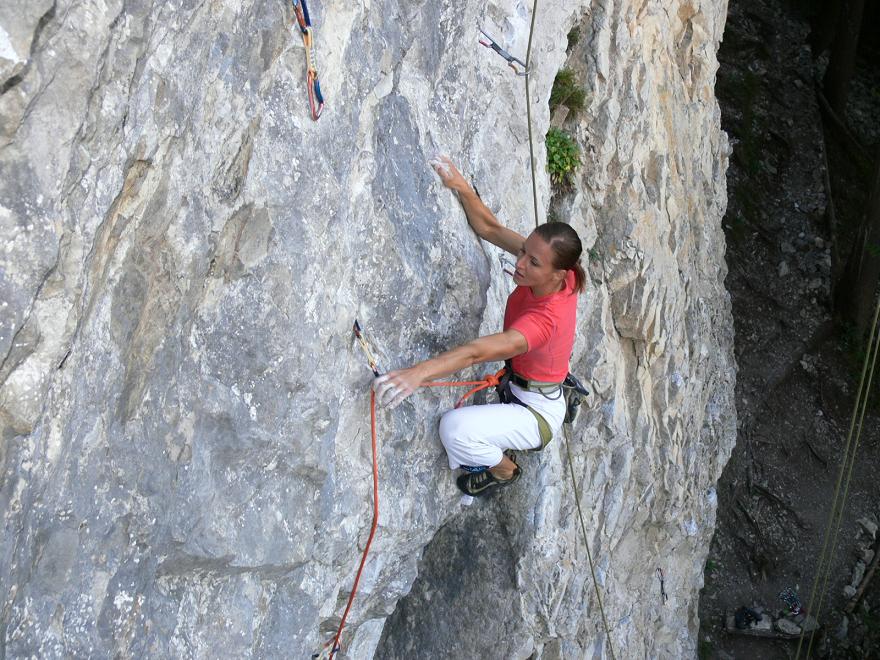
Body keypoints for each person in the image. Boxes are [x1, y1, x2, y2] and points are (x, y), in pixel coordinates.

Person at [373, 156, 586, 496]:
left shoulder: (543, 322)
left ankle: (503, 469)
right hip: (527, 385)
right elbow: (490, 228)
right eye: (524, 251)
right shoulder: (562, 271)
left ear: (559, 274)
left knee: (454, 428)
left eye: (532, 262)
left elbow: (476, 353)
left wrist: (416, 374)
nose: (520, 264)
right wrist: (461, 187)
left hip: (536, 414)